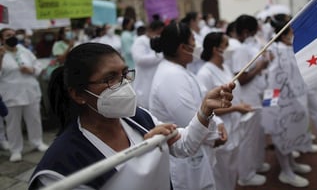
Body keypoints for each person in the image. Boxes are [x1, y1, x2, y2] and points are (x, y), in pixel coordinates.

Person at [29, 42, 235, 189]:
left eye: (124, 74)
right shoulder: (60, 169)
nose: (124, 85)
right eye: (110, 78)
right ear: (78, 94)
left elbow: (184, 146)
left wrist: (205, 110)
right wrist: (147, 155)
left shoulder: (138, 118)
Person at [149, 22, 228, 190]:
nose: (196, 45)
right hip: (183, 157)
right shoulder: (170, 76)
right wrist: (216, 136)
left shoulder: (180, 70)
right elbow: (189, 118)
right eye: (193, 39)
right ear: (182, 47)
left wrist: (219, 122)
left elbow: (204, 99)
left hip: (196, 148)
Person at [197, 32, 253, 190]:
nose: (230, 49)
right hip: (221, 129)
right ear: (216, 49)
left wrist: (240, 105)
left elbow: (233, 95)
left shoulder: (225, 67)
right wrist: (236, 108)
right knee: (221, 176)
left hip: (234, 125)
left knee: (231, 172)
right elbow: (206, 107)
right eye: (226, 45)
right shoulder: (204, 73)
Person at [265, 21, 314, 187]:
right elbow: (272, 80)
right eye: (290, 33)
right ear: (283, 35)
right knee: (281, 133)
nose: (292, 36)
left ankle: (291, 163)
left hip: (294, 98)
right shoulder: (273, 50)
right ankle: (285, 171)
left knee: (293, 132)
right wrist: (270, 106)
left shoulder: (289, 49)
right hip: (278, 100)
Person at [231, 15, 271, 187]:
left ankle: (257, 164)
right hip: (248, 99)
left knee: (259, 135)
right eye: (256, 29)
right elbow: (241, 78)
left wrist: (266, 62)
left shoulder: (253, 45)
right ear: (247, 31)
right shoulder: (241, 50)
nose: (259, 31)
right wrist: (260, 67)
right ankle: (246, 175)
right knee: (248, 138)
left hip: (259, 94)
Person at [0, 28, 49, 162]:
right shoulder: (1, 53)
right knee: (13, 124)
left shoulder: (24, 50)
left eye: (14, 34)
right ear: (2, 39)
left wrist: (32, 69)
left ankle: (37, 142)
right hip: (11, 94)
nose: (12, 37)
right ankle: (15, 150)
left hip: (30, 91)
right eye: (8, 35)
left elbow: (37, 65)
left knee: (34, 119)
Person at [131, 19, 165, 109]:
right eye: (158, 32)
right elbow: (139, 59)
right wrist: (161, 56)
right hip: (144, 81)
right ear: (150, 30)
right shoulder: (140, 41)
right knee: (145, 106)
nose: (159, 35)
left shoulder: (157, 41)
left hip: (154, 78)